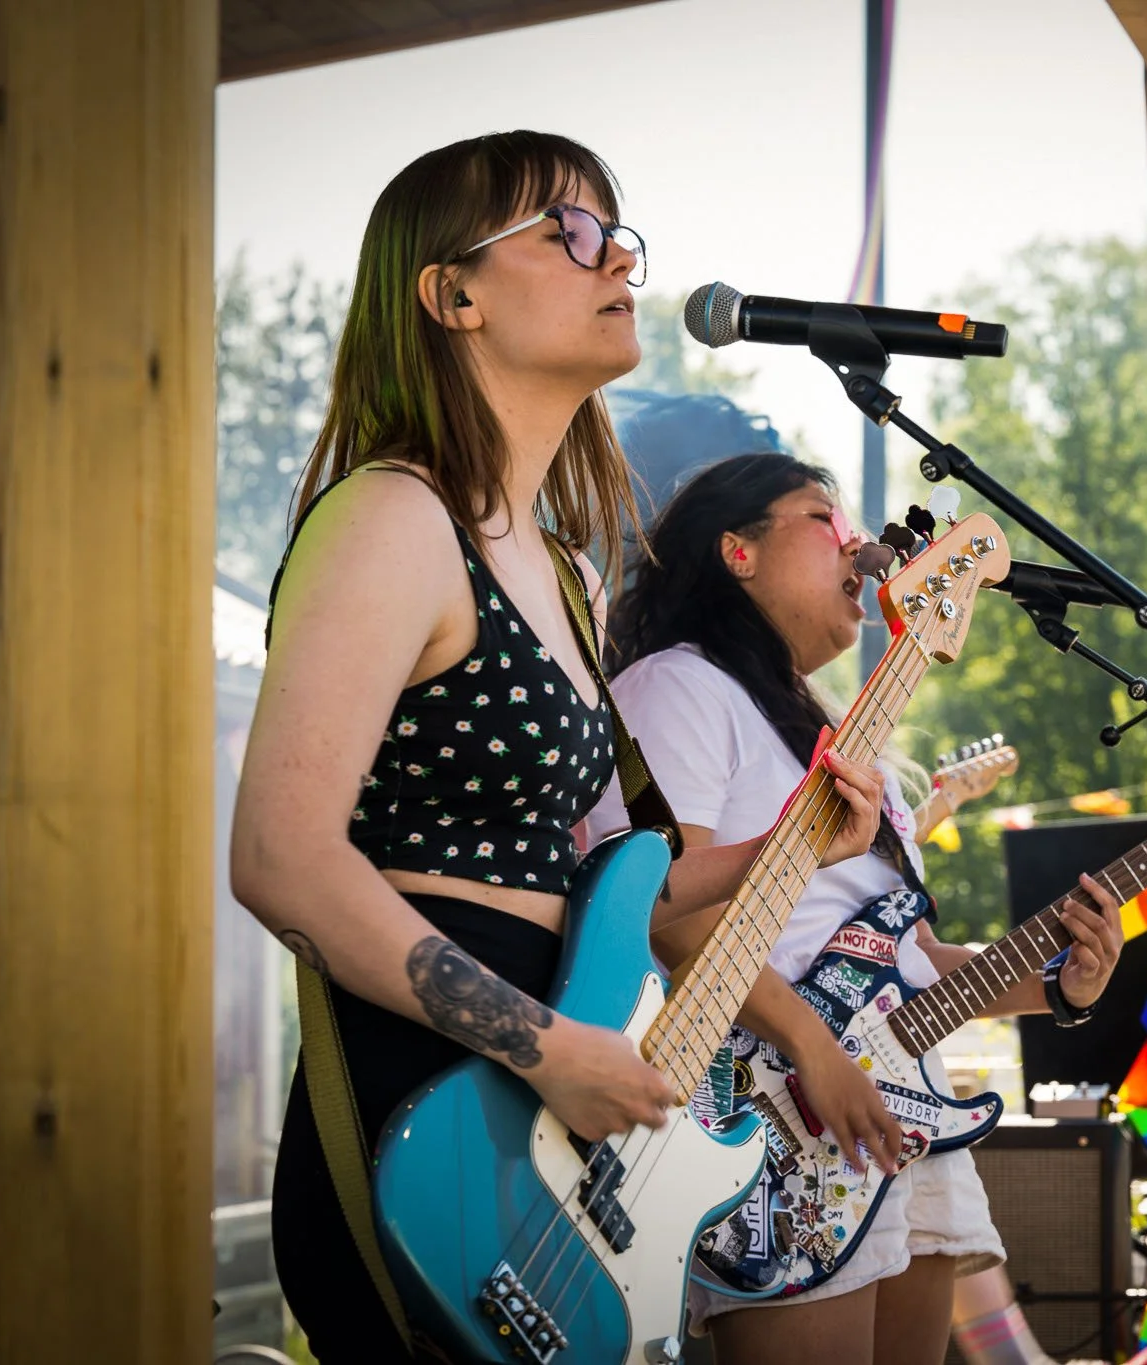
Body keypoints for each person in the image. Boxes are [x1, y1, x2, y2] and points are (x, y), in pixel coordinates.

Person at [228, 132, 888, 1364]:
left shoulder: (569, 574)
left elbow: (610, 882)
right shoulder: (389, 516)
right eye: (566, 232)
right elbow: (279, 858)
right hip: (429, 1099)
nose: (616, 258)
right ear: (452, 294)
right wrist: (542, 1046)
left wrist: (783, 851)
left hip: (550, 1092)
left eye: (616, 233)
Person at [585, 453, 1127, 1365]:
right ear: (737, 551)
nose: (863, 545)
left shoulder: (837, 730)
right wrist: (813, 1046)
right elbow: (658, 909)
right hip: (768, 1108)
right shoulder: (679, 686)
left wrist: (1057, 988)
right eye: (823, 518)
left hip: (887, 1106)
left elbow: (907, 964)